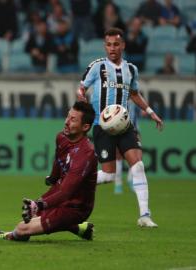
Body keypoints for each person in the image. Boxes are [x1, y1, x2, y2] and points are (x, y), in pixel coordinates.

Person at [77, 27, 163, 228]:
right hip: (102, 126)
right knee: (108, 175)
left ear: (123, 45)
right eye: (108, 44)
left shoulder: (131, 69)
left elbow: (134, 94)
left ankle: (144, 215)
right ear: (104, 46)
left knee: (138, 165)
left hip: (124, 125)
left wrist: (150, 112)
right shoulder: (97, 67)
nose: (112, 48)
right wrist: (81, 96)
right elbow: (82, 87)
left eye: (116, 44)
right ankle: (77, 181)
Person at [0, 101, 97, 242]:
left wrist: (39, 204)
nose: (67, 122)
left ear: (85, 127)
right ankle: (81, 229)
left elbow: (66, 193)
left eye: (73, 120)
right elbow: (58, 159)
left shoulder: (86, 153)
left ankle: (5, 235)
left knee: (22, 229)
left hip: (75, 207)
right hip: (58, 193)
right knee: (31, 219)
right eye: (68, 116)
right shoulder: (61, 138)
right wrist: (53, 177)